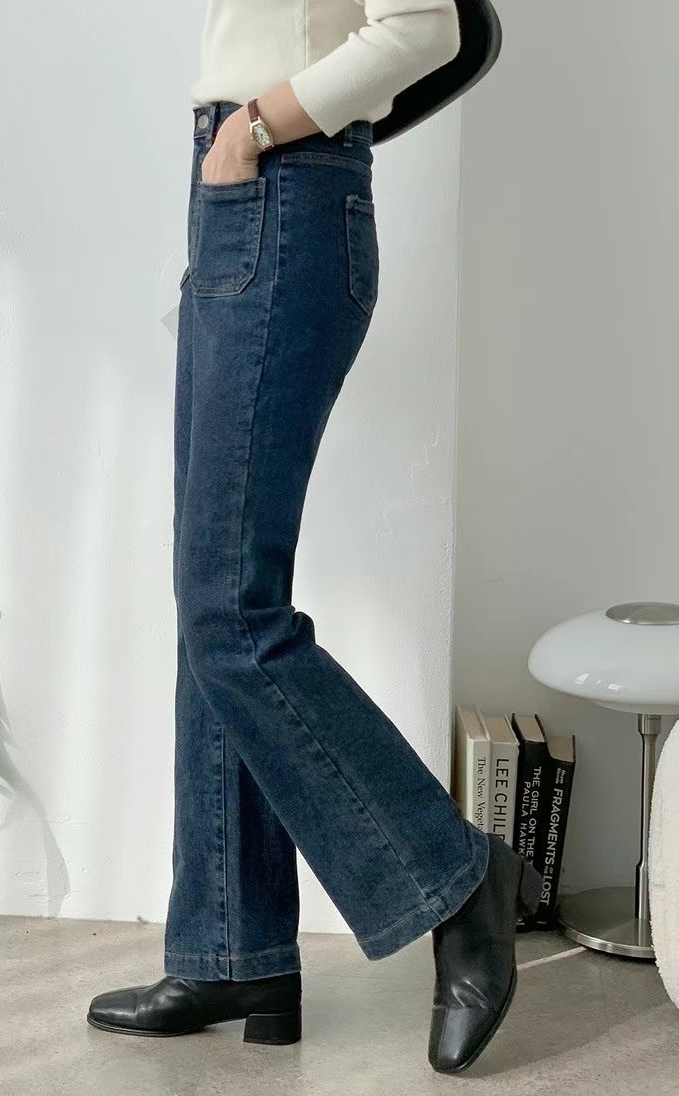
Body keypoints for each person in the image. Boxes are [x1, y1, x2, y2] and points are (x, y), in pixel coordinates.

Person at [87, 0, 542, 1075]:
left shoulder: (268, 146)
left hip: (282, 188)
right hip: (240, 192)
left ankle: (458, 875)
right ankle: (231, 950)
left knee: (230, 611)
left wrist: (252, 128)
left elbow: (424, 27)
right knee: (209, 601)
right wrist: (233, 147)